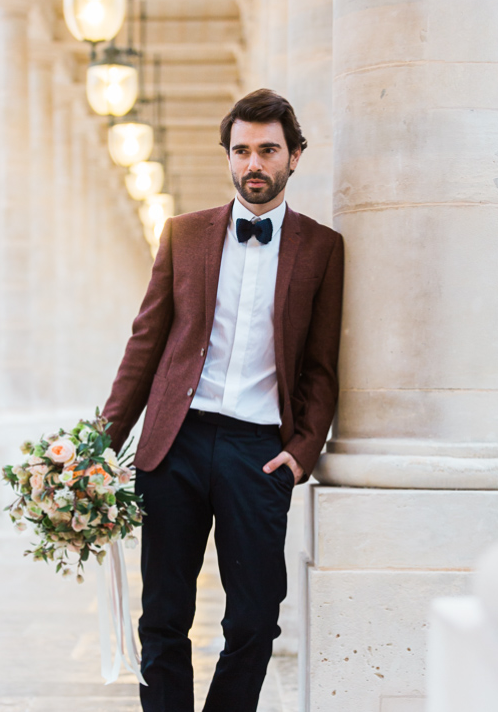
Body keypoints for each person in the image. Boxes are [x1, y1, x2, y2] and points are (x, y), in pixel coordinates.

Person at [101, 89, 344, 712]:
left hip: (259, 453)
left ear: (294, 157)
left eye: (268, 150)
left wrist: (301, 452)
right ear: (228, 157)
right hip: (175, 446)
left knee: (256, 620)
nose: (253, 163)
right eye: (241, 150)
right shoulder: (183, 235)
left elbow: (320, 365)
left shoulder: (321, 248)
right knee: (164, 618)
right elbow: (146, 343)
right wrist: (98, 444)